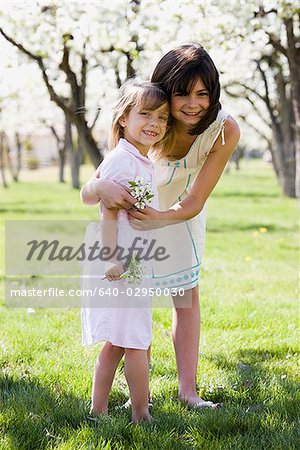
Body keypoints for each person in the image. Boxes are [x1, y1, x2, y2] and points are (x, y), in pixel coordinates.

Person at [81, 43, 240, 408]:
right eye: (181, 93)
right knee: (137, 304)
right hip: (136, 225)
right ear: (165, 90)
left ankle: (188, 392)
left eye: (203, 93)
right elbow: (92, 188)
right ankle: (139, 395)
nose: (192, 103)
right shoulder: (149, 120)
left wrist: (161, 220)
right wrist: (100, 186)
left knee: (185, 299)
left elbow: (196, 200)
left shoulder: (223, 130)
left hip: (180, 217)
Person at [81, 79, 170, 423]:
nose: (154, 124)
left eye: (162, 117)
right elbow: (106, 211)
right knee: (134, 339)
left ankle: (98, 410)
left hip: (132, 259)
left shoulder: (139, 159)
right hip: (121, 261)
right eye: (145, 114)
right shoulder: (122, 161)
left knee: (120, 340)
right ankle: (140, 413)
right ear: (123, 119)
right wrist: (111, 258)